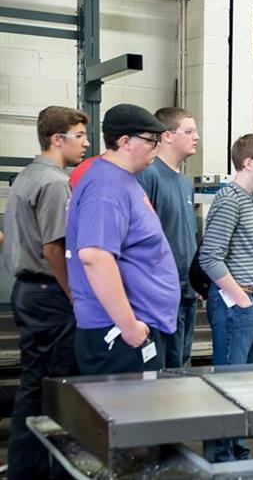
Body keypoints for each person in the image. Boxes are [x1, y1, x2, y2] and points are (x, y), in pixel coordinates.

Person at [2, 106, 89, 479]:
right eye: (80, 136)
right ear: (58, 139)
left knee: (33, 386)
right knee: (53, 389)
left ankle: (25, 468)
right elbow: (54, 248)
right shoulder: (54, 182)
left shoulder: (26, 176)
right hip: (49, 294)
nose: (86, 144)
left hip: (27, 291)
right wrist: (76, 296)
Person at [66, 103, 179, 375]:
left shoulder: (123, 180)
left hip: (136, 328)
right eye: (151, 141)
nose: (157, 147)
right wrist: (130, 328)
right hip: (120, 335)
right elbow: (95, 257)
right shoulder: (106, 186)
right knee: (129, 414)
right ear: (125, 141)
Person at [198, 133, 253, 462]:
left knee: (245, 384)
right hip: (237, 306)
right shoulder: (230, 198)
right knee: (228, 384)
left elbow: (247, 252)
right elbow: (210, 257)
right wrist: (242, 298)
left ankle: (239, 451)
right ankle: (221, 458)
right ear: (248, 163)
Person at [137, 107, 199, 368]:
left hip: (187, 289)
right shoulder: (148, 175)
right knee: (164, 367)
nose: (196, 137)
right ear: (167, 136)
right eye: (189, 131)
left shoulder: (185, 183)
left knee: (182, 362)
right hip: (161, 291)